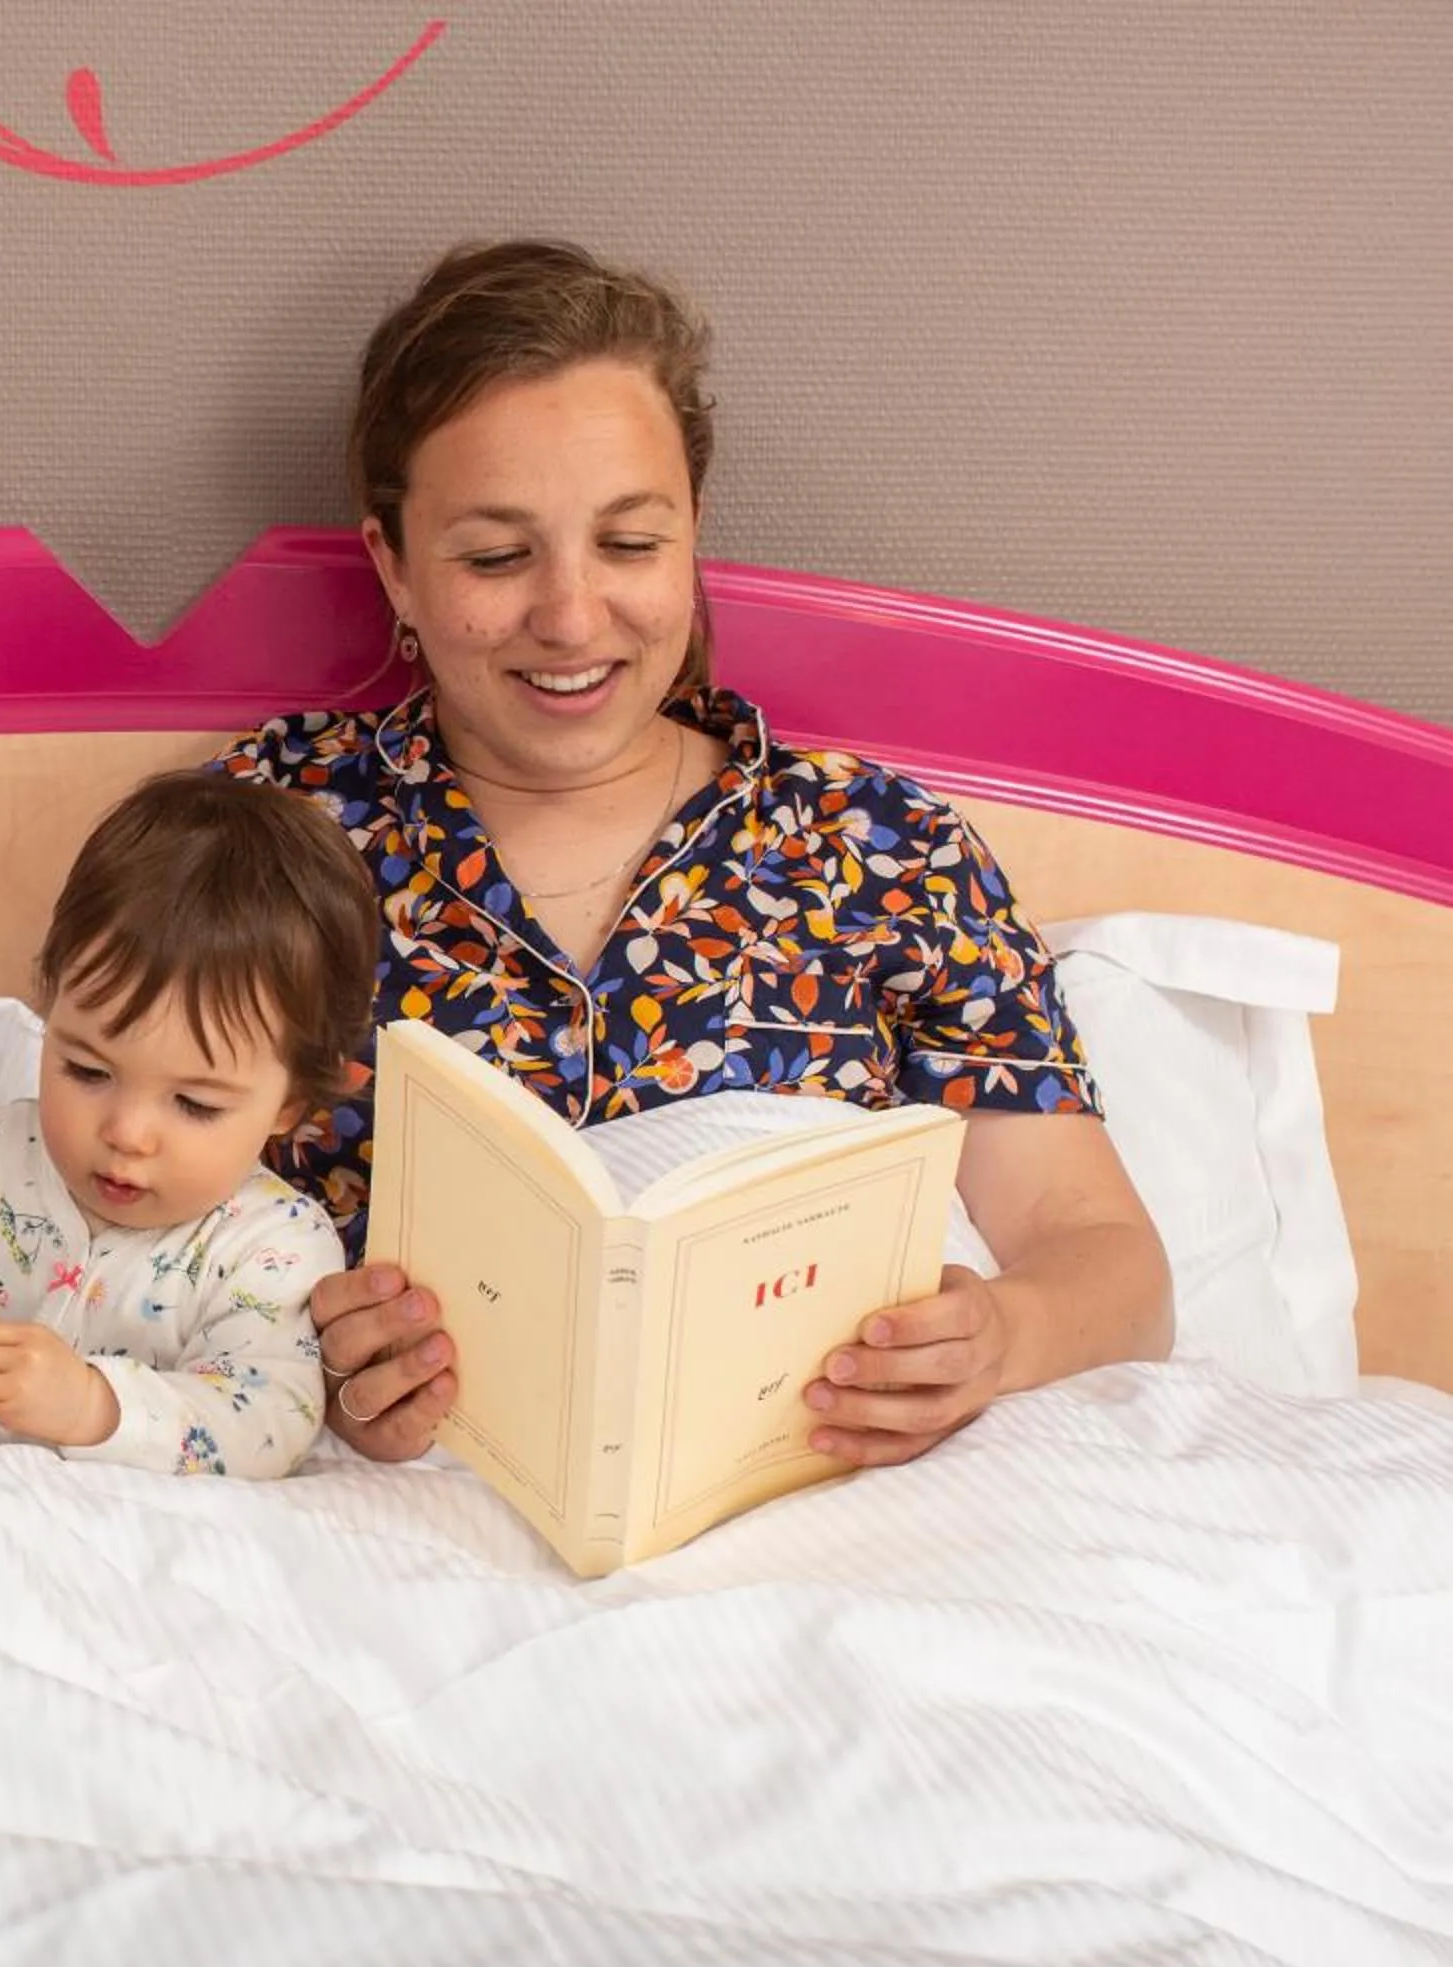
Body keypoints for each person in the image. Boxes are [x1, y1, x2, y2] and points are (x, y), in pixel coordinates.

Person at [220, 238, 1172, 1472]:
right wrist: (308, 1362)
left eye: (628, 543)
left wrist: (998, 1333)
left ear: (692, 534)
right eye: (497, 556)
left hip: (832, 1506)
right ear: (393, 562)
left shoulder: (878, 847)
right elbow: (113, 1199)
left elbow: (1110, 1260)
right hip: (410, 1518)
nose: (570, 616)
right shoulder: (265, 832)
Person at [0, 769, 379, 1478]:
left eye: (195, 1104)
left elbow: (267, 1421)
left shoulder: (276, 1246)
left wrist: (96, 1406)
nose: (127, 1132)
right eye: (88, 1071)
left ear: (288, 1105)